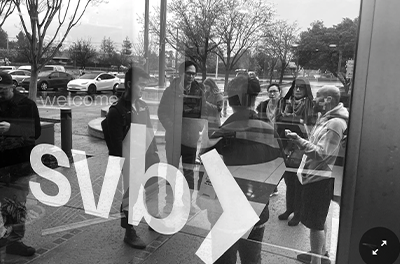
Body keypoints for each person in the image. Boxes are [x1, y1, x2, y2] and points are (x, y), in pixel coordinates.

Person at [204, 75, 281, 264]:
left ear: (230, 100)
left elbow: (208, 171)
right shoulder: (267, 130)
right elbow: (279, 170)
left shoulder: (221, 132)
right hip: (257, 208)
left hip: (225, 210)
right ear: (254, 99)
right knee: (252, 259)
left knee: (223, 259)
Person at [285, 85, 348, 264]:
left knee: (314, 224)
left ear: (328, 100)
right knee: (319, 219)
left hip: (319, 178)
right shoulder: (329, 118)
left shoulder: (335, 123)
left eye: (319, 96)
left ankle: (316, 261)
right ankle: (320, 253)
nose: (314, 99)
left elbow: (322, 154)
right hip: (317, 175)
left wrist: (298, 141)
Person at [102, 66, 160, 249]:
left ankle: (152, 219)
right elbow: (115, 145)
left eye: (145, 85)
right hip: (130, 160)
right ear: (128, 84)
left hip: (146, 156)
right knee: (131, 196)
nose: (143, 88)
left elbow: (149, 131)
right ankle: (130, 232)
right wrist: (124, 166)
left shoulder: (142, 106)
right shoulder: (116, 112)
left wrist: (155, 154)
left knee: (152, 189)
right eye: (140, 85)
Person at [0, 71, 41, 256]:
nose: (0, 94)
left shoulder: (27, 105)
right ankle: (4, 235)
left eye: (3, 90)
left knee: (16, 204)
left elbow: (36, 131)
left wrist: (12, 129)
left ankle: (14, 241)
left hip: (18, 163)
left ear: (12, 87)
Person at [158, 60, 207, 190]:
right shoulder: (170, 91)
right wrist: (171, 127)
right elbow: (162, 112)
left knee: (189, 173)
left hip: (190, 138)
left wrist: (198, 127)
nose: (191, 76)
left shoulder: (199, 91)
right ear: (181, 74)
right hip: (173, 138)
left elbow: (204, 111)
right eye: (188, 73)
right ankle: (169, 202)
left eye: (193, 74)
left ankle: (187, 203)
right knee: (171, 171)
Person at [277, 78, 315, 226]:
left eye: (301, 88)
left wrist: (299, 124)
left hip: (302, 148)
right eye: (295, 87)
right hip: (287, 147)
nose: (297, 90)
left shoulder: (310, 105)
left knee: (299, 183)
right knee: (289, 181)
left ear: (306, 90)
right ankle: (289, 209)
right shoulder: (286, 104)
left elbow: (312, 129)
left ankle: (298, 213)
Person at [256, 83, 283, 197]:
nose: (272, 94)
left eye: (274, 91)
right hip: (265, 138)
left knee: (276, 164)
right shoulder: (263, 105)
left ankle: (273, 185)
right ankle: (272, 187)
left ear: (279, 93)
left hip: (279, 138)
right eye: (270, 91)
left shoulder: (284, 106)